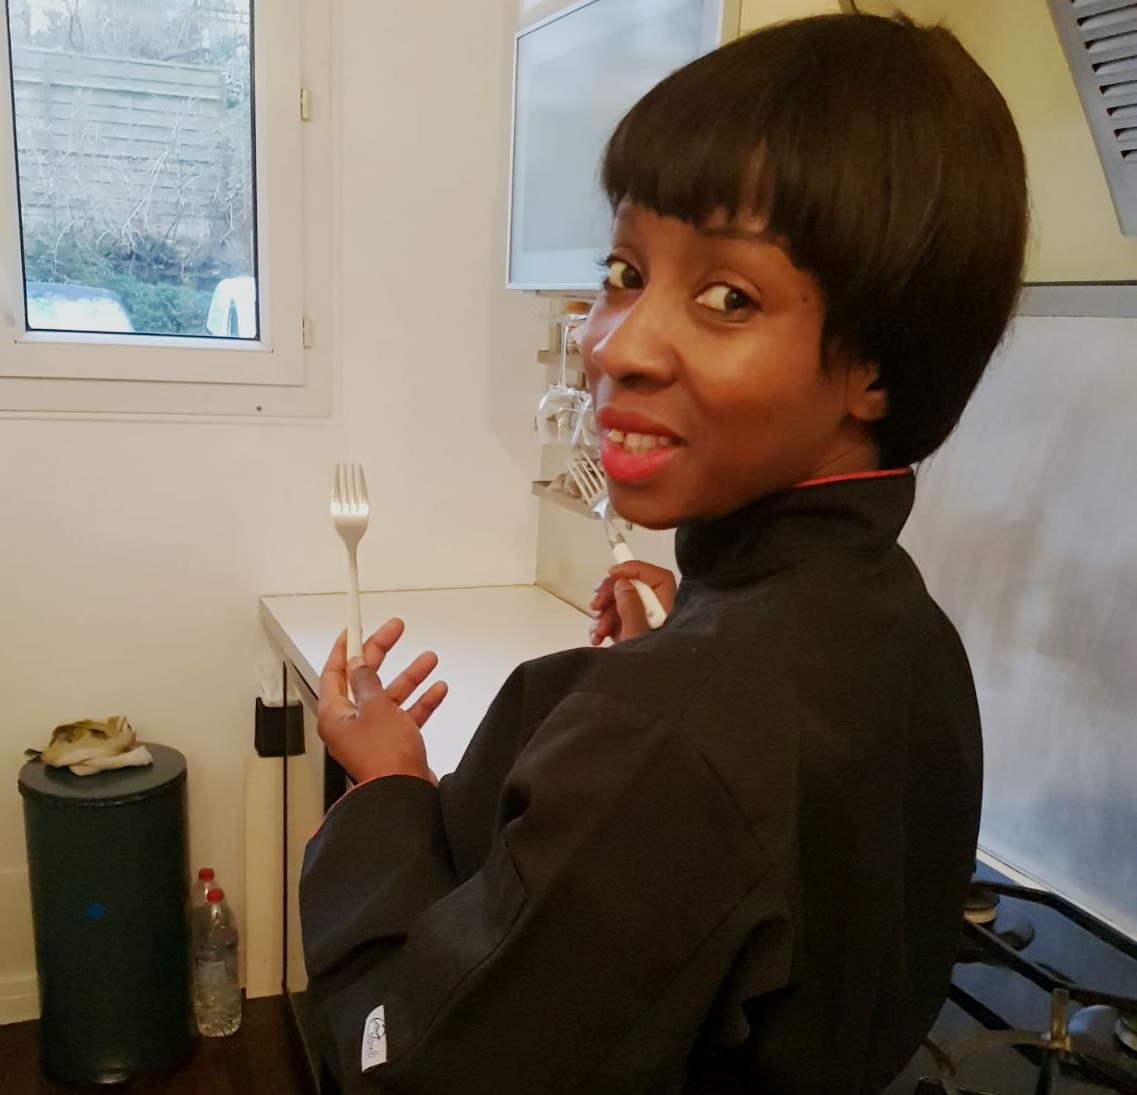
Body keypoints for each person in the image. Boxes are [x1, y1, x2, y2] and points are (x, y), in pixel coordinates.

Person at [299, 10, 1028, 1094]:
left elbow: (404, 1067)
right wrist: (691, 623)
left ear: (874, 367)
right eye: (625, 269)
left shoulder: (664, 738)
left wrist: (385, 787)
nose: (613, 342)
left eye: (728, 296)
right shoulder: (909, 629)